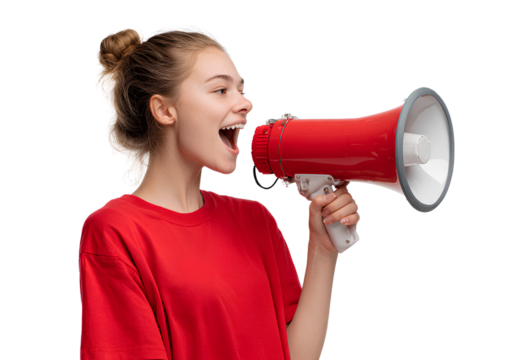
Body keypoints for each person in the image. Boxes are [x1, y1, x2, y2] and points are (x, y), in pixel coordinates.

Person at [82, 23, 360, 360]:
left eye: (241, 90)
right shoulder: (115, 231)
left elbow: (296, 355)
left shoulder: (256, 219)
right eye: (220, 90)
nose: (246, 104)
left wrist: (323, 251)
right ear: (164, 110)